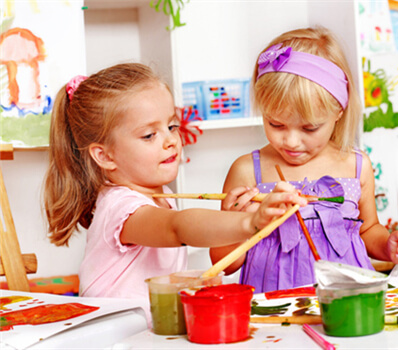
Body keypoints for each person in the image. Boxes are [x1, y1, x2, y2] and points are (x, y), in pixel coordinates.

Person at [43, 63, 307, 307]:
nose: (170, 140)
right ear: (105, 156)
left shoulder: (161, 194)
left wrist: (233, 220)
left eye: (171, 126)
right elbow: (178, 226)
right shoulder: (119, 206)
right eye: (149, 135)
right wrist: (250, 224)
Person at [210, 27, 398, 294]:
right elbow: (222, 263)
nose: (291, 141)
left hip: (347, 301)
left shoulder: (356, 166)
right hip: (274, 307)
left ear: (338, 112)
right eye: (276, 124)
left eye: (309, 128)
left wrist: (391, 246)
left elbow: (368, 230)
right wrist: (239, 224)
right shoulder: (247, 172)